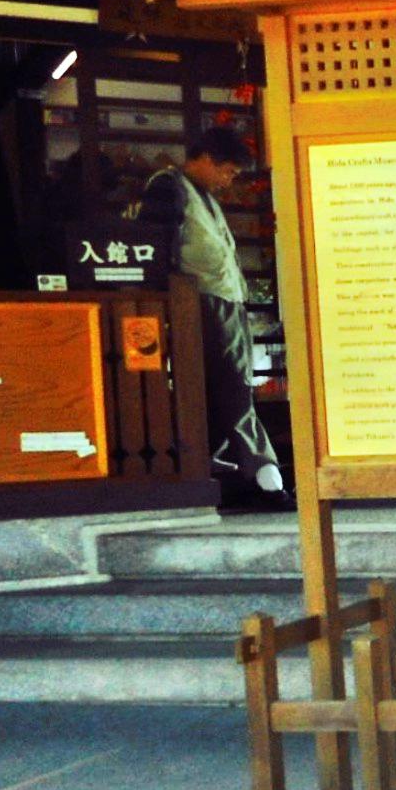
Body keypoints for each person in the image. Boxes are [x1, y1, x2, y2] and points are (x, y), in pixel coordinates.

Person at [142, 127, 288, 508]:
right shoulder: (168, 187)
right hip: (199, 303)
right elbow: (155, 249)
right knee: (234, 390)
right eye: (227, 171)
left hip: (222, 301)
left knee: (218, 392)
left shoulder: (201, 195)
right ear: (206, 159)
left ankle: (203, 463)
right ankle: (262, 475)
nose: (228, 180)